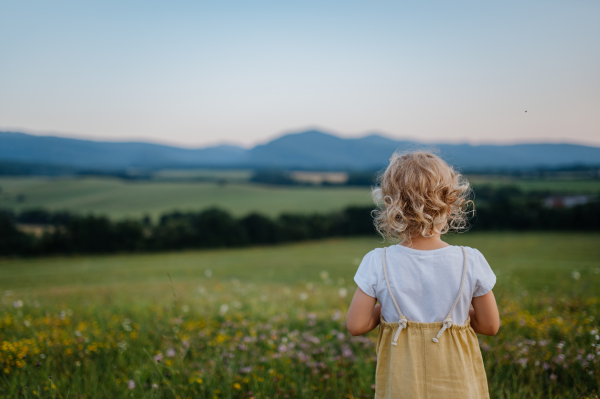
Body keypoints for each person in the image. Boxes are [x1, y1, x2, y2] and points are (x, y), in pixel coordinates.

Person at [346, 151, 499, 398]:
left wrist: (388, 307)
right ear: (450, 206)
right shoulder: (470, 260)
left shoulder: (377, 262)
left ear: (389, 206)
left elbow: (356, 325)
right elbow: (490, 325)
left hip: (403, 385)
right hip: (457, 385)